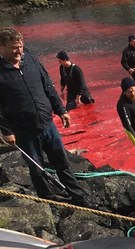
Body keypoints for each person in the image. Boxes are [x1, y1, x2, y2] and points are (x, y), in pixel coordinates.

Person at [0, 27, 90, 205]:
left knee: (62, 163)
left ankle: (78, 196)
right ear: (1, 47)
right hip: (24, 131)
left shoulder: (32, 61)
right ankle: (47, 198)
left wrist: (61, 110)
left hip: (48, 124)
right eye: (14, 48)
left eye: (21, 46)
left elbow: (48, 87)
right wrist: (6, 130)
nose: (19, 51)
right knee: (37, 169)